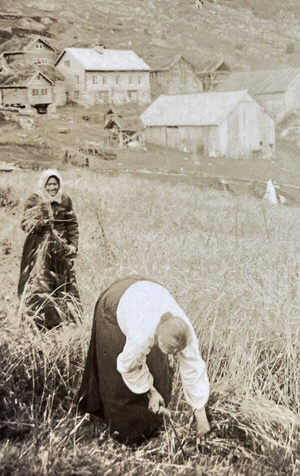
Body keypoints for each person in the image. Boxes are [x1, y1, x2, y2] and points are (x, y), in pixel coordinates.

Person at [77, 276, 211, 446]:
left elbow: (193, 367)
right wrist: (150, 391)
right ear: (159, 338)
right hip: (115, 303)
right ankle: (126, 436)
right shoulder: (141, 335)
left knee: (158, 370)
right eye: (170, 351)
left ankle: (153, 424)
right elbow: (127, 365)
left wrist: (201, 416)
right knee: (119, 384)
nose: (173, 355)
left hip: (146, 292)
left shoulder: (183, 330)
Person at [18, 169, 80, 330]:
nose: (52, 188)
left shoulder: (65, 200)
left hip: (60, 248)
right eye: (49, 184)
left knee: (61, 282)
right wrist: (42, 223)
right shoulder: (34, 200)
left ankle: (61, 321)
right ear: (43, 185)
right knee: (39, 281)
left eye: (55, 184)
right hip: (38, 247)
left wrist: (72, 245)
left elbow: (72, 224)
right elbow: (25, 224)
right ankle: (36, 320)